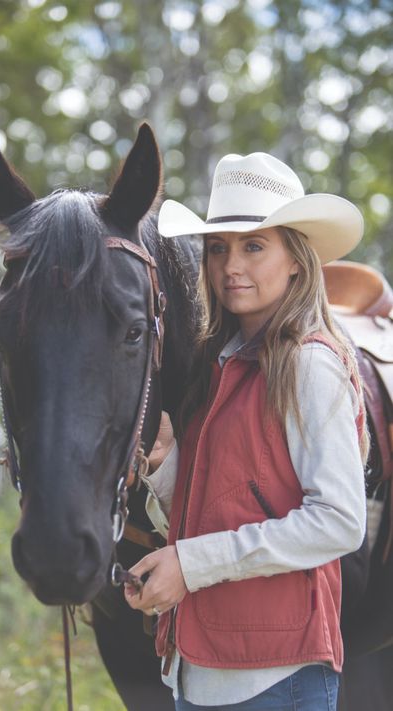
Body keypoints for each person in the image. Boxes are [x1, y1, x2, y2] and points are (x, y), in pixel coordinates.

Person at [124, 151, 368, 710]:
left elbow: (339, 521)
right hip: (198, 670)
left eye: (254, 246)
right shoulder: (222, 365)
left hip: (274, 678)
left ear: (296, 262)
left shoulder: (309, 364)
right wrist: (166, 465)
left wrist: (191, 564)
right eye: (218, 249)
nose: (231, 265)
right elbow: (223, 504)